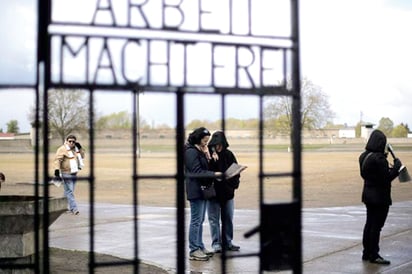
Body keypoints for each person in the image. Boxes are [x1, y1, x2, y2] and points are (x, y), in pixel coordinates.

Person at [359, 129, 402, 265]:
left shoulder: (364, 156)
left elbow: (375, 175)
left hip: (368, 195)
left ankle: (366, 252)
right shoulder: (379, 159)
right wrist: (396, 168)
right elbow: (386, 178)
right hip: (380, 197)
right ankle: (374, 254)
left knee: (369, 224)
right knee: (376, 227)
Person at [185, 127, 222, 261]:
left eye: (207, 141)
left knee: (200, 220)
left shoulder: (199, 150)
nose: (206, 143)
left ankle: (199, 246)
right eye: (205, 141)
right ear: (198, 138)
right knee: (196, 221)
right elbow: (196, 172)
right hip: (195, 190)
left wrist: (208, 156)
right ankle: (194, 249)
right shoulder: (190, 152)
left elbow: (204, 168)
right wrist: (215, 174)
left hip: (203, 190)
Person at [207, 131, 241, 253]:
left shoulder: (229, 154)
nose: (218, 146)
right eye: (216, 144)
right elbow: (205, 172)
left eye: (220, 144)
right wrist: (211, 160)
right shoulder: (208, 155)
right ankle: (216, 244)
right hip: (213, 194)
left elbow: (236, 171)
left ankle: (228, 242)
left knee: (228, 219)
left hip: (228, 193)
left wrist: (233, 185)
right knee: (213, 220)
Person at [54, 134, 85, 215]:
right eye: (70, 141)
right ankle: (74, 209)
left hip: (74, 173)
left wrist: (80, 148)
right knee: (70, 192)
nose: (71, 143)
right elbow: (57, 160)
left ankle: (61, 207)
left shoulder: (76, 149)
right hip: (65, 173)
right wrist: (57, 170)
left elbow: (82, 156)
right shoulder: (62, 149)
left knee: (68, 191)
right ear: (66, 141)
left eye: (73, 141)